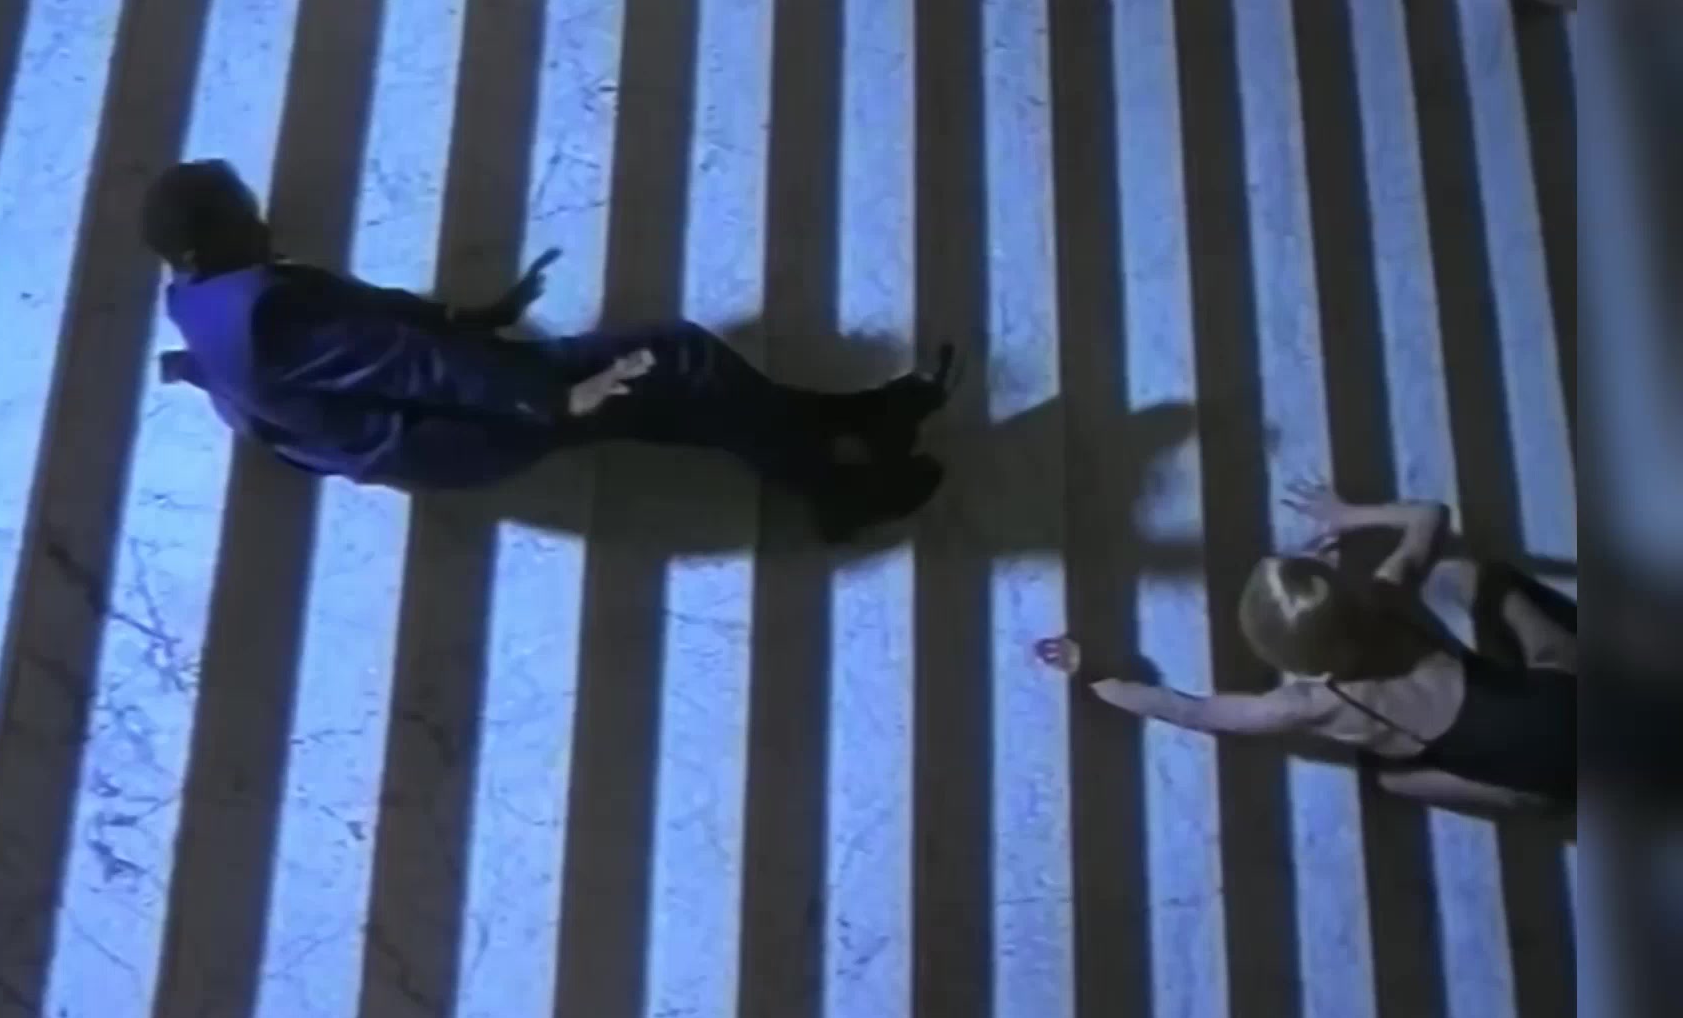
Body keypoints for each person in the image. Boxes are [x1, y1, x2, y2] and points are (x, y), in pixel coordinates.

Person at [142, 159, 953, 541]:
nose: (264, 224)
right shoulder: (263, 313)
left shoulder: (203, 297)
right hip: (456, 425)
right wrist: (551, 398)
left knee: (665, 396)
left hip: (441, 412)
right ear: (206, 244)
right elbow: (409, 364)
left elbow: (371, 328)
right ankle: (831, 488)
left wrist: (466, 314)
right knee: (678, 356)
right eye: (246, 219)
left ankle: (849, 426)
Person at [1034, 481, 1576, 813]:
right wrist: (1350, 515)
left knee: (1392, 781)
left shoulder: (1308, 704)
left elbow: (1194, 711)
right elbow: (1432, 515)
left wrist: (1093, 673)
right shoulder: (1389, 594)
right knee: (1480, 576)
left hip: (1543, 778)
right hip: (1563, 700)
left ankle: (1542, 800)